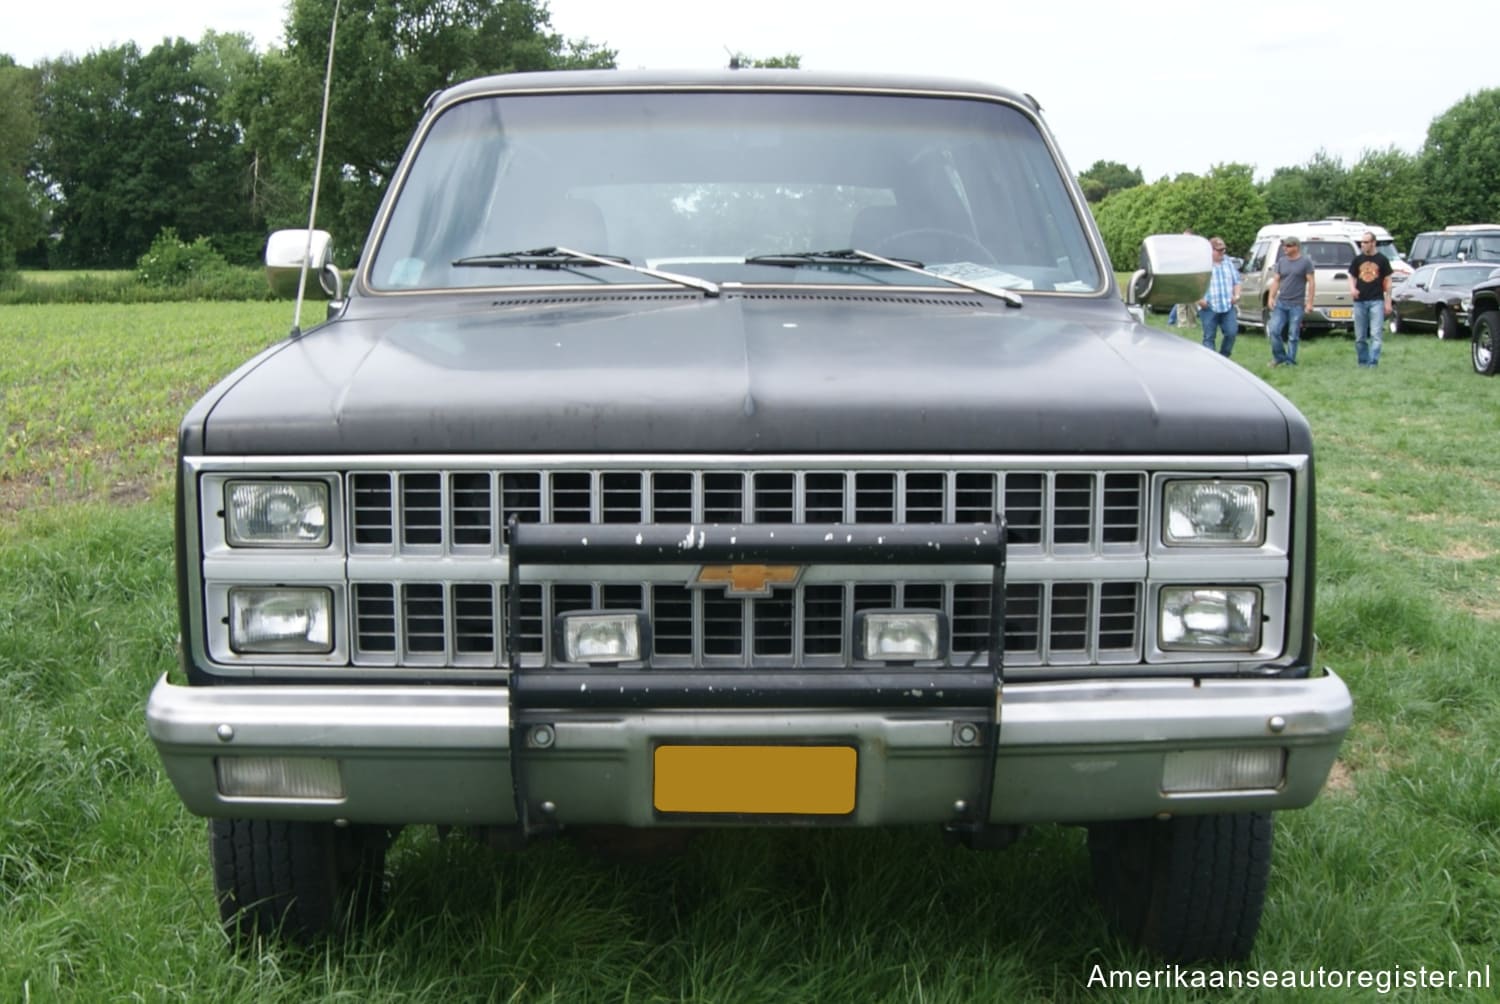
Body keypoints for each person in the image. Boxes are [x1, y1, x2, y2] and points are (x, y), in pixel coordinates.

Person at [1264, 236, 1314, 367]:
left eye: (1288, 246)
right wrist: (1271, 297)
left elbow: (1311, 282)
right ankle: (1279, 357)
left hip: (1297, 304)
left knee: (1293, 335)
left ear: (1296, 247)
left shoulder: (1305, 262)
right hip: (1281, 303)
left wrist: (1309, 303)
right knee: (1274, 330)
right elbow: (1276, 281)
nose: (1285, 248)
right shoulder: (1281, 261)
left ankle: (1290, 361)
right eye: (1284, 246)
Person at [1348, 231, 1393, 368]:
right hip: (1360, 301)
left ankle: (1373, 362)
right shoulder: (1358, 259)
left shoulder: (1382, 260)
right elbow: (1351, 275)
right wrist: (1352, 288)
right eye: (1362, 242)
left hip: (1376, 300)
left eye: (1366, 242)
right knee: (1360, 336)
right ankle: (1363, 362)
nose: (1363, 245)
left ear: (1373, 243)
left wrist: (1388, 302)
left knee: (1376, 334)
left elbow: (1388, 281)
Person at [1195, 237, 1241, 357]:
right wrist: (1199, 300)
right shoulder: (1202, 264)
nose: (1222, 253)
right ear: (1210, 250)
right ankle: (1210, 362)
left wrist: (1236, 296)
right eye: (1219, 250)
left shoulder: (1228, 262)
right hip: (1209, 306)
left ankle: (1223, 358)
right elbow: (1193, 284)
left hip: (1227, 305)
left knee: (1231, 333)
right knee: (1209, 337)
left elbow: (1237, 281)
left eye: (1223, 250)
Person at [1172, 228, 1198, 328]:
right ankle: (1182, 324)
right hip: (1181, 278)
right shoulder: (1179, 251)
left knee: (1192, 303)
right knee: (1181, 303)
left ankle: (1192, 324)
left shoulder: (1195, 250)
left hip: (1192, 279)